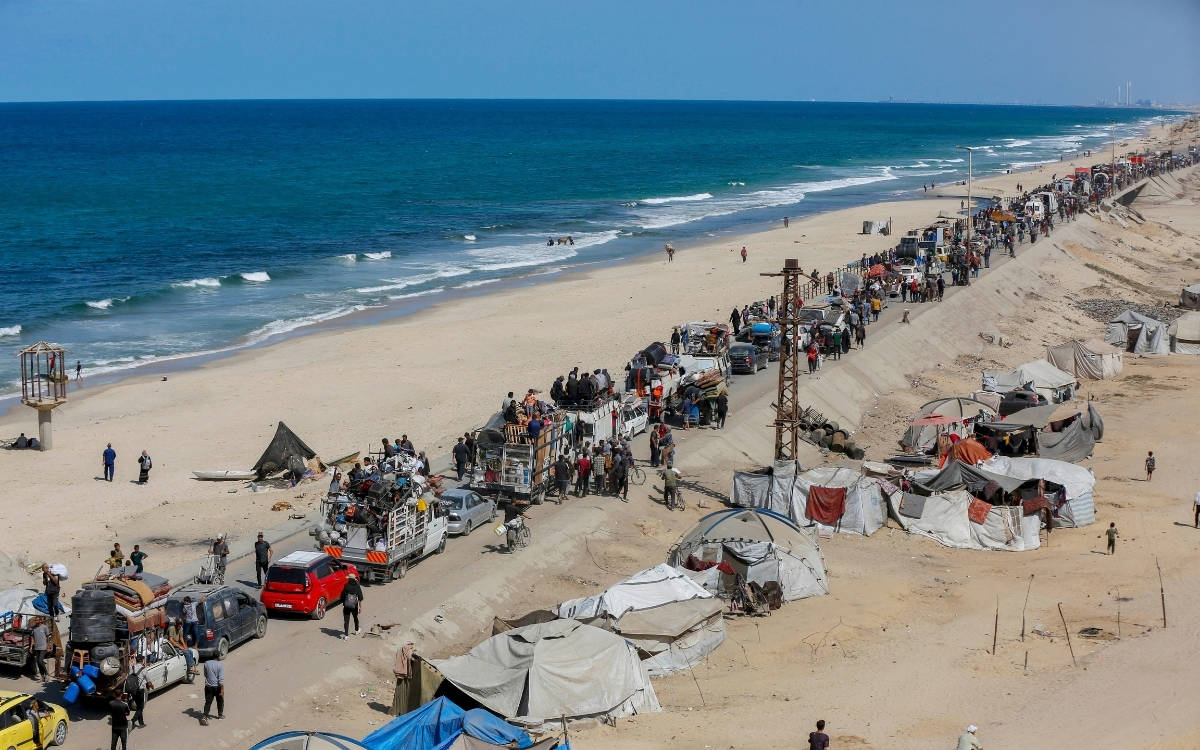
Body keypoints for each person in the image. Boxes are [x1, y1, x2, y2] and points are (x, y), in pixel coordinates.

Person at [128, 654, 152, 728]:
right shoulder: (144, 669)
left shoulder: (132, 668)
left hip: (133, 690)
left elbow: (129, 677)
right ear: (142, 660)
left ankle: (141, 723)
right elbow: (149, 681)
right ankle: (132, 721)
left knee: (139, 707)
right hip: (140, 690)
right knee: (140, 708)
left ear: (136, 660)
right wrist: (152, 686)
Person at [200, 658, 225, 725]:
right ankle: (220, 715)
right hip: (217, 687)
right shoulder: (220, 665)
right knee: (220, 701)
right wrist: (222, 689)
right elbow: (221, 679)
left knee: (208, 702)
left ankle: (204, 716)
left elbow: (205, 674)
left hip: (208, 687)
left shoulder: (206, 663)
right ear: (218, 658)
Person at [342, 572, 364, 638]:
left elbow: (342, 596)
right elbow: (360, 597)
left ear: (349, 579)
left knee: (346, 620)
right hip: (354, 606)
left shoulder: (346, 586)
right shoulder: (357, 586)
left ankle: (346, 635)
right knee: (355, 618)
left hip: (346, 606)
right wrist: (360, 607)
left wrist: (344, 604)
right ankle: (357, 630)